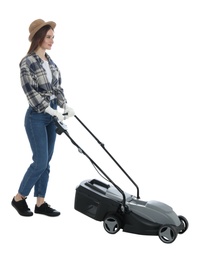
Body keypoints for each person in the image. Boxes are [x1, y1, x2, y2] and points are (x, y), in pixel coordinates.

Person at [11, 19, 75, 217]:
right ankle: (19, 198)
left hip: (52, 115)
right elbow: (30, 93)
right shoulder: (27, 62)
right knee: (40, 162)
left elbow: (57, 88)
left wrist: (64, 105)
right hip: (36, 117)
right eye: (48, 37)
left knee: (47, 162)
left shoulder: (51, 63)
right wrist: (49, 109)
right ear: (38, 38)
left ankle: (40, 203)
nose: (52, 41)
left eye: (53, 37)